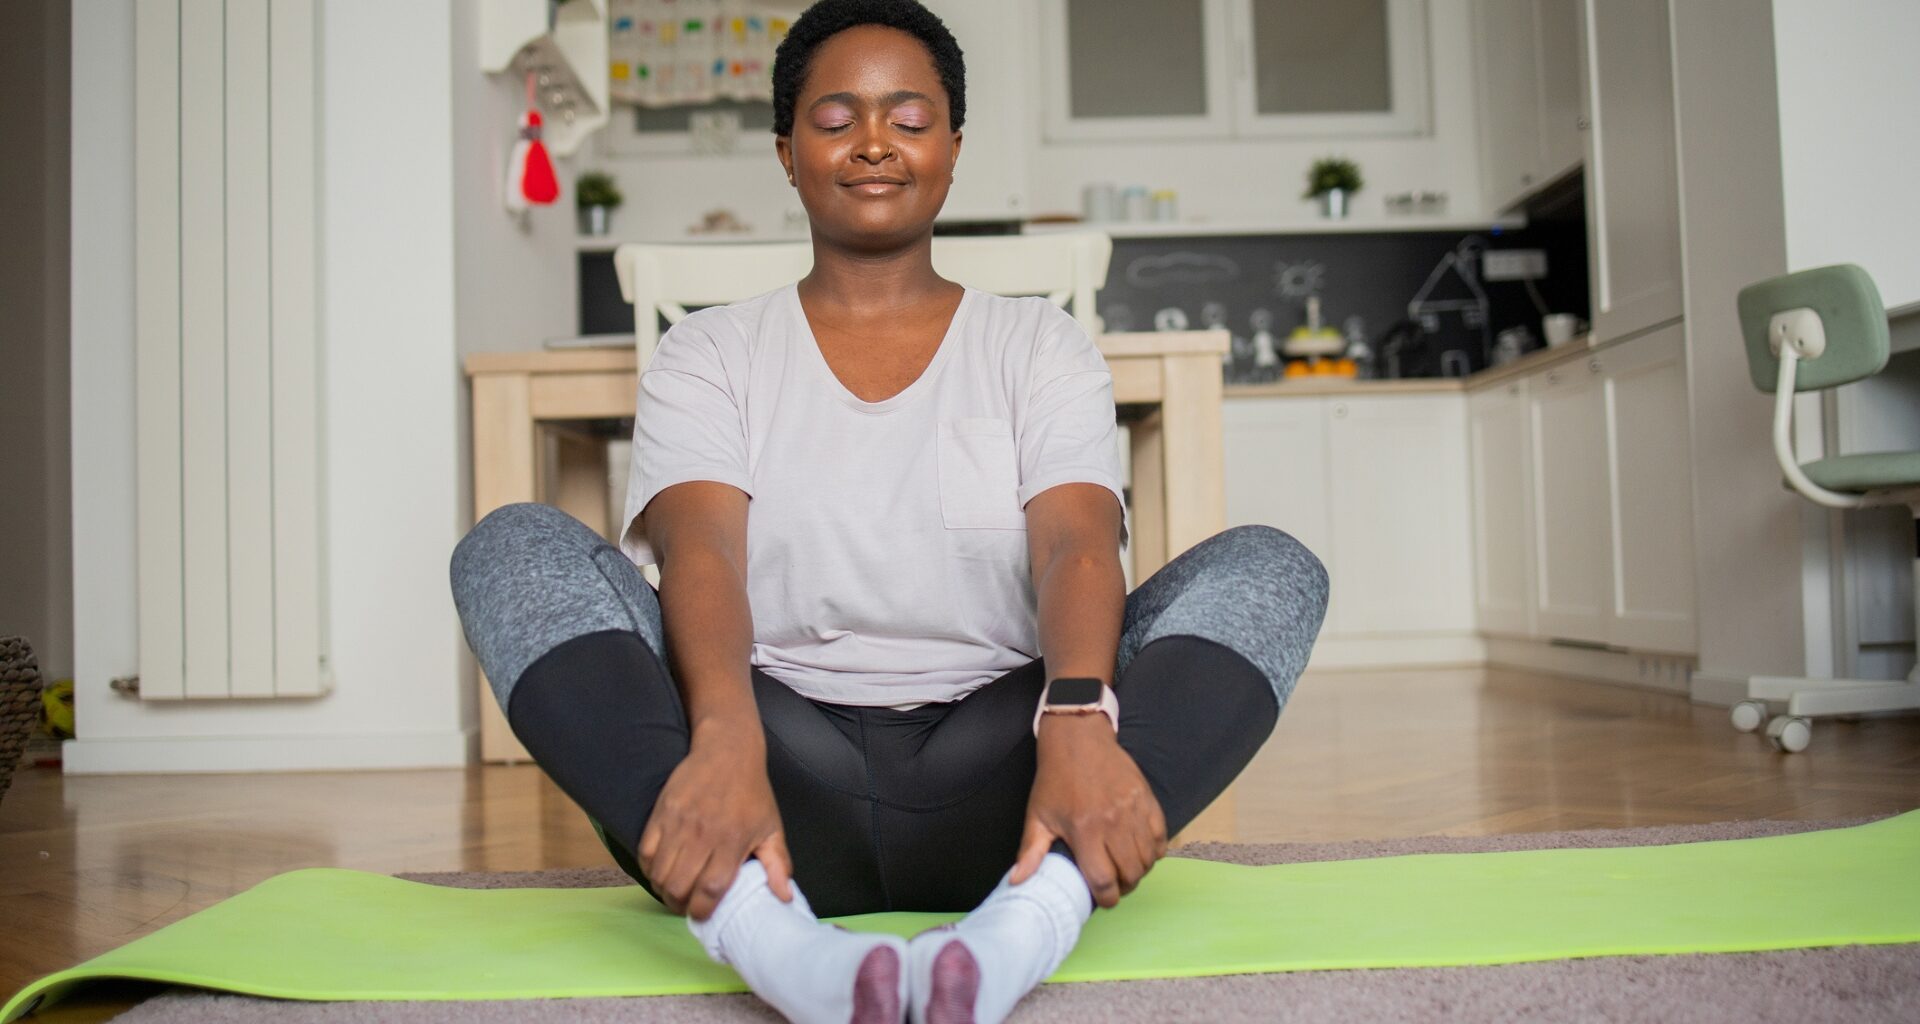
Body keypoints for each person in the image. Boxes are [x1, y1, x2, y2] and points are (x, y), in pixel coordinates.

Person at [450, 1, 1329, 1021]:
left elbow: (1075, 543)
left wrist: (1081, 716)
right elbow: (702, 554)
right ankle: (764, 933)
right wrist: (726, 734)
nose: (874, 142)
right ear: (786, 152)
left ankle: (1027, 924)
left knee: (1272, 565)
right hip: (761, 788)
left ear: (953, 144)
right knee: (509, 547)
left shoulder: (1039, 345)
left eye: (909, 118)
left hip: (1012, 786)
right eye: (836, 119)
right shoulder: (710, 351)